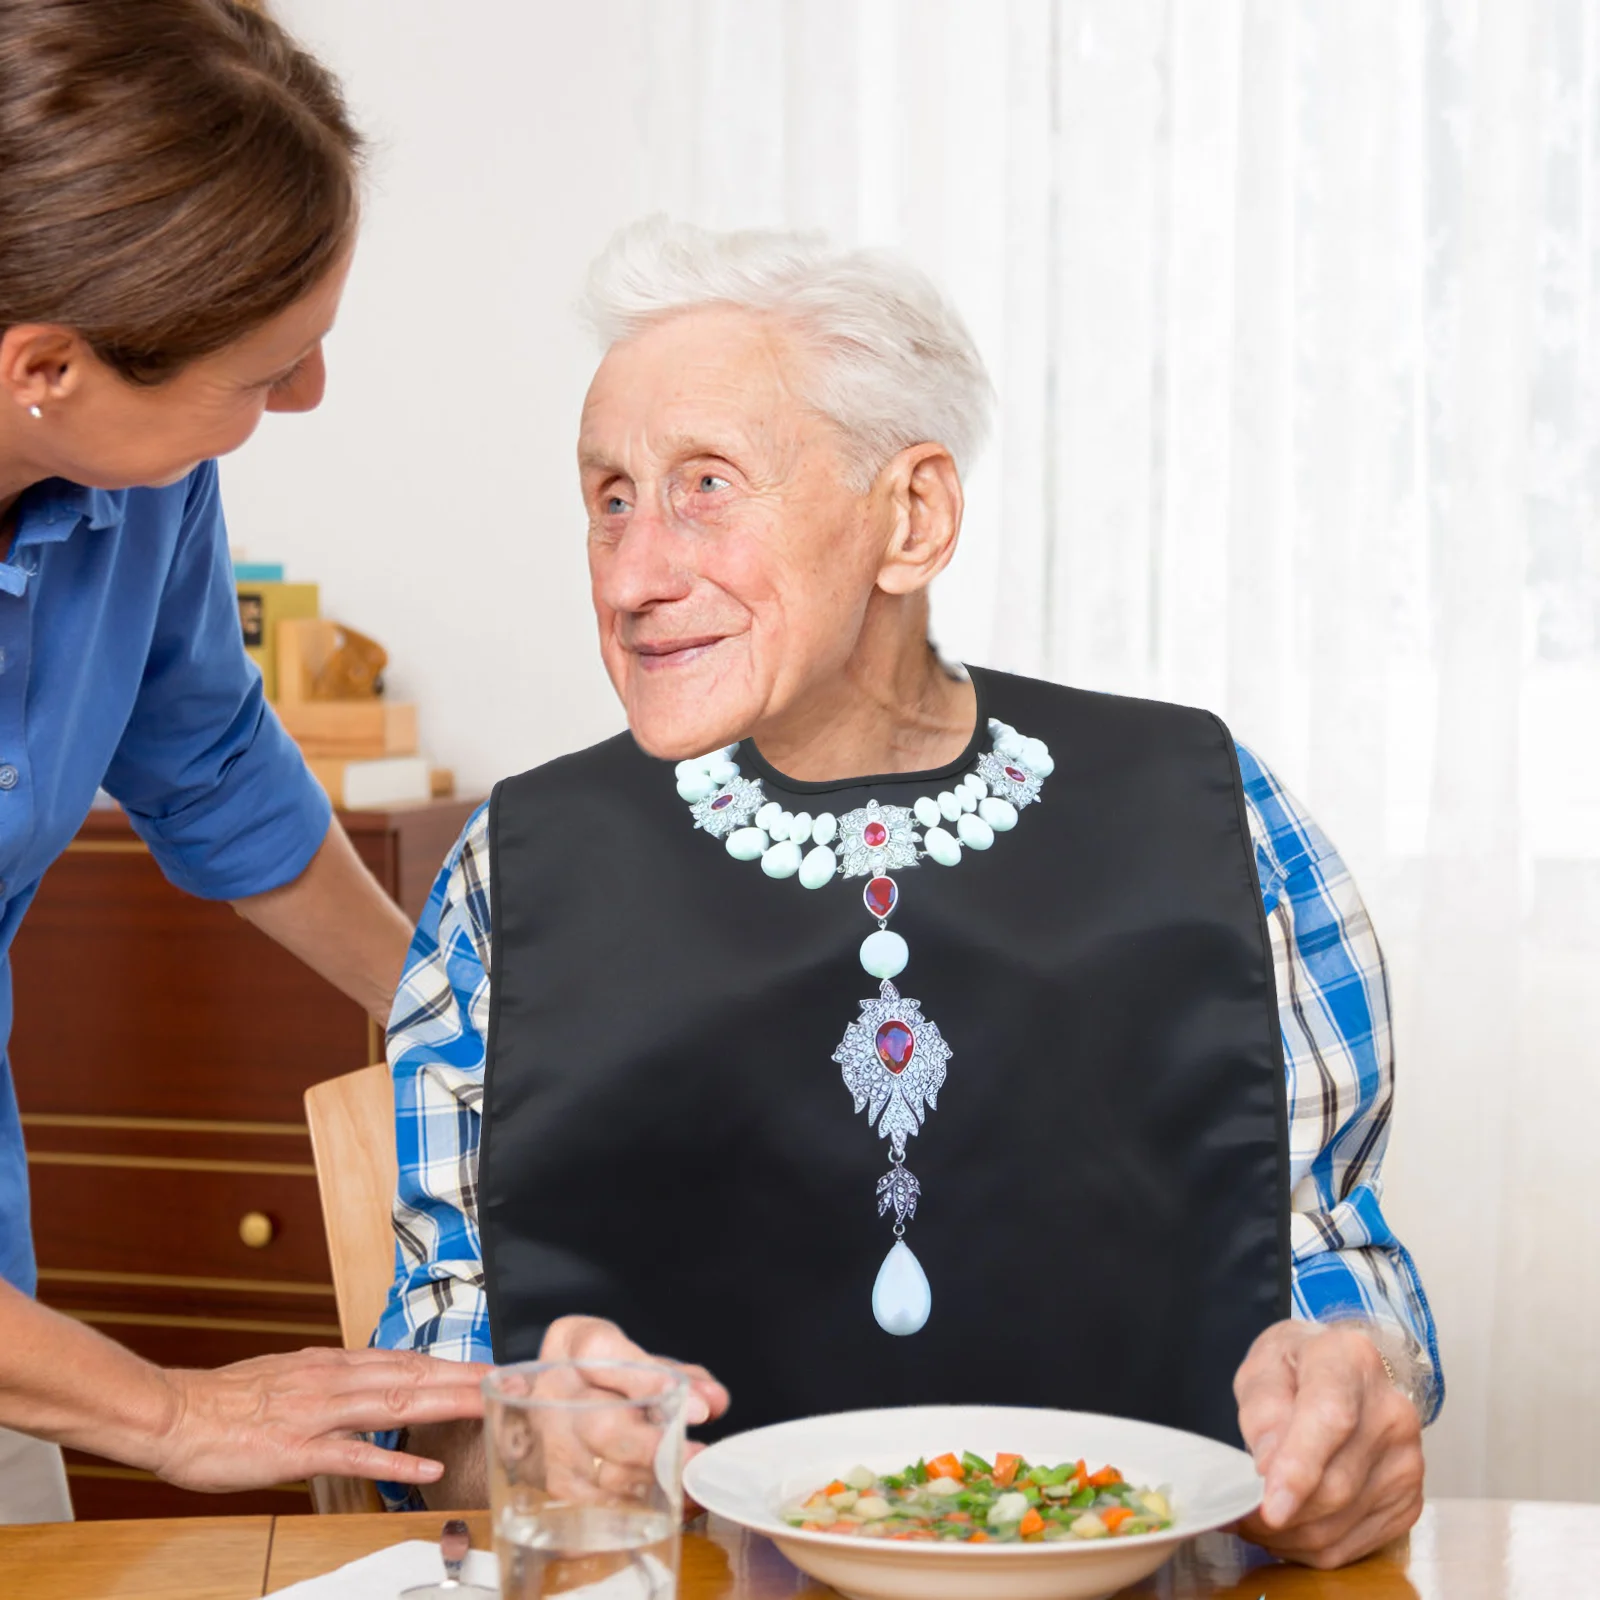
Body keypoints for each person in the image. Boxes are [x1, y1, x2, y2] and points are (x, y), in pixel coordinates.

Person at [374, 219, 1441, 1571]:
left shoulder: (1219, 811)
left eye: (706, 484)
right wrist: (515, 1432)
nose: (634, 574)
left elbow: (1343, 1281)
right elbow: (438, 1394)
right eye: (610, 497)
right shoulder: (506, 871)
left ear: (912, 517)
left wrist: (1360, 1400)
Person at [0, 0, 490, 1521]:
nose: (308, 399)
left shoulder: (136, 491)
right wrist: (162, 1412)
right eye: (266, 369)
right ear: (49, 367)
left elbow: (211, 763)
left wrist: (461, 1025)